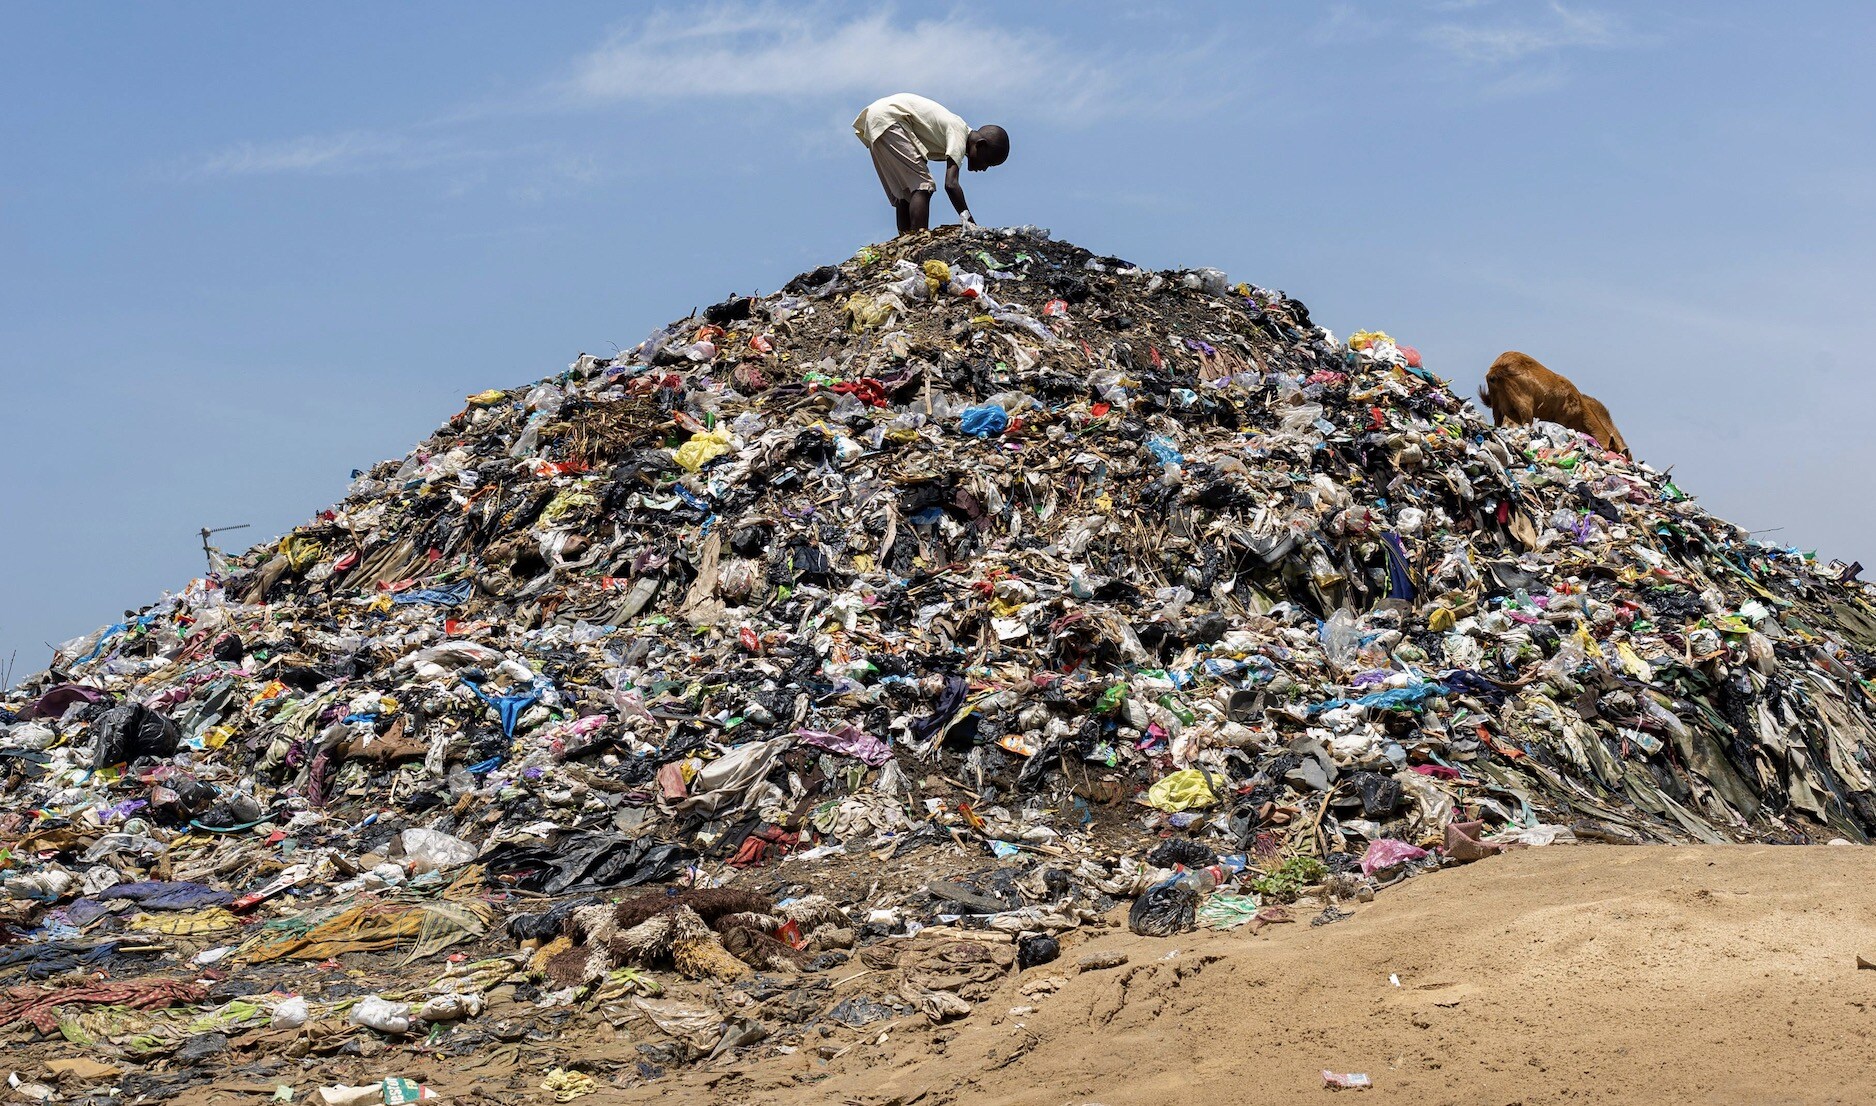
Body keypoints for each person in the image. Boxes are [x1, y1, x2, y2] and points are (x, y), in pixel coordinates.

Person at [852, 93, 1008, 237]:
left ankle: (906, 241)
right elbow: (951, 184)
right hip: (891, 120)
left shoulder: (955, 132)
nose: (984, 168)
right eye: (987, 161)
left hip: (879, 121)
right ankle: (920, 241)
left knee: (905, 192)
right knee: (923, 186)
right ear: (980, 145)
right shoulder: (959, 131)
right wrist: (970, 223)